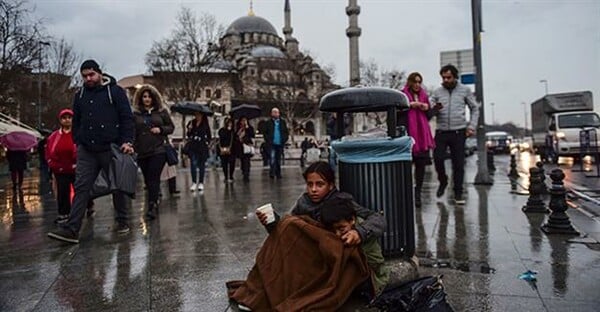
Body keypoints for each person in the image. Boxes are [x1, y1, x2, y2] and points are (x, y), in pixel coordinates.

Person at [47, 59, 135, 244]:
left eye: (91, 75)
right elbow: (76, 120)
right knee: (81, 187)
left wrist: (127, 141)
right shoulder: (80, 95)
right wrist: (78, 141)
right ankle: (72, 229)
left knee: (117, 184)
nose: (88, 79)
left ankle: (122, 221)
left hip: (111, 146)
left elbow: (127, 118)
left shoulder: (115, 92)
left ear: (99, 73)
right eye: (85, 76)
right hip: (87, 149)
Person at [320, 197, 390, 297]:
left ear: (352, 220)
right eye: (333, 230)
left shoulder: (360, 231)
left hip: (372, 277)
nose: (337, 234)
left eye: (341, 228)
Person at [430, 64, 480, 205]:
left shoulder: (464, 90)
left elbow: (474, 108)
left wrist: (471, 126)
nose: (446, 80)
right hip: (441, 131)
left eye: (449, 77)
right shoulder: (437, 92)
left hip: (459, 132)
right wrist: (434, 107)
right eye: (443, 77)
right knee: (438, 158)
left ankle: (458, 193)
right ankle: (443, 180)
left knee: (458, 164)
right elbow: (430, 105)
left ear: (455, 77)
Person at [132, 84, 174, 219]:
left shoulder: (161, 112)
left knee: (153, 177)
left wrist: (160, 130)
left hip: (158, 150)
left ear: (154, 98)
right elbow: (132, 131)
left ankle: (151, 205)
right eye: (144, 97)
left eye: (149, 96)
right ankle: (153, 199)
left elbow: (171, 127)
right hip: (142, 151)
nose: (147, 99)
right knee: (148, 179)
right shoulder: (136, 115)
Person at [399, 72, 436, 208]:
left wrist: (428, 108)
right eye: (414, 82)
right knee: (406, 168)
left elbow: (430, 115)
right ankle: (406, 193)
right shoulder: (402, 95)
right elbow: (398, 113)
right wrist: (409, 105)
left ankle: (418, 193)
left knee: (421, 167)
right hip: (408, 135)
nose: (417, 84)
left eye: (419, 82)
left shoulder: (424, 95)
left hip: (422, 138)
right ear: (409, 82)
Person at [45, 109, 77, 224]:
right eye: (64, 118)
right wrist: (52, 164)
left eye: (69, 117)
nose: (67, 120)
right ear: (60, 120)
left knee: (80, 191)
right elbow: (49, 151)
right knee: (63, 191)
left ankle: (83, 209)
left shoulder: (77, 134)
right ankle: (64, 213)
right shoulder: (54, 136)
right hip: (60, 169)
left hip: (76, 169)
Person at [186, 111, 212, 191]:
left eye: (199, 114)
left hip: (202, 146)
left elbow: (209, 135)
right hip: (193, 146)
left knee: (201, 165)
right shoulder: (192, 122)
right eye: (196, 114)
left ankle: (201, 182)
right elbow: (189, 135)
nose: (197, 116)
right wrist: (189, 129)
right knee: (193, 164)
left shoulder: (205, 124)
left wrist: (207, 142)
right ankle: (194, 182)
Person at [263, 107, 289, 179]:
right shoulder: (268, 122)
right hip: (271, 144)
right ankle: (272, 172)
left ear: (279, 113)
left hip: (280, 143)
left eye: (276, 112)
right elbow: (265, 133)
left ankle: (278, 173)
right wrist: (268, 140)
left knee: (278, 159)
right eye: (274, 112)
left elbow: (286, 132)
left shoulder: (282, 122)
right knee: (272, 158)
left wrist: (284, 140)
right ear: (271, 114)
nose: (275, 114)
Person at [236, 116, 255, 182]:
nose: (243, 122)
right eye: (242, 120)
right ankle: (244, 171)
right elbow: (236, 136)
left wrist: (247, 128)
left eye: (245, 120)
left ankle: (246, 173)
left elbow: (252, 135)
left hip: (247, 146)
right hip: (240, 147)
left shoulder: (249, 128)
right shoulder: (239, 128)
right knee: (242, 160)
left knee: (247, 160)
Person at [218, 117, 236, 183]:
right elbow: (221, 138)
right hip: (223, 148)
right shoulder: (222, 131)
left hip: (232, 149)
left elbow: (234, 139)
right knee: (224, 163)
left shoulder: (233, 131)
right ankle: (226, 176)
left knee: (232, 163)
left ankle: (231, 175)